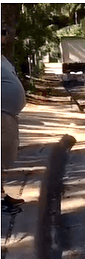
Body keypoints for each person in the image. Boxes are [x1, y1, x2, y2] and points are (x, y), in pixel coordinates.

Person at [1, 27, 26, 214]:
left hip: (7, 115)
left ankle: (2, 195)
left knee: (4, 156)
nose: (4, 36)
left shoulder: (2, 59)